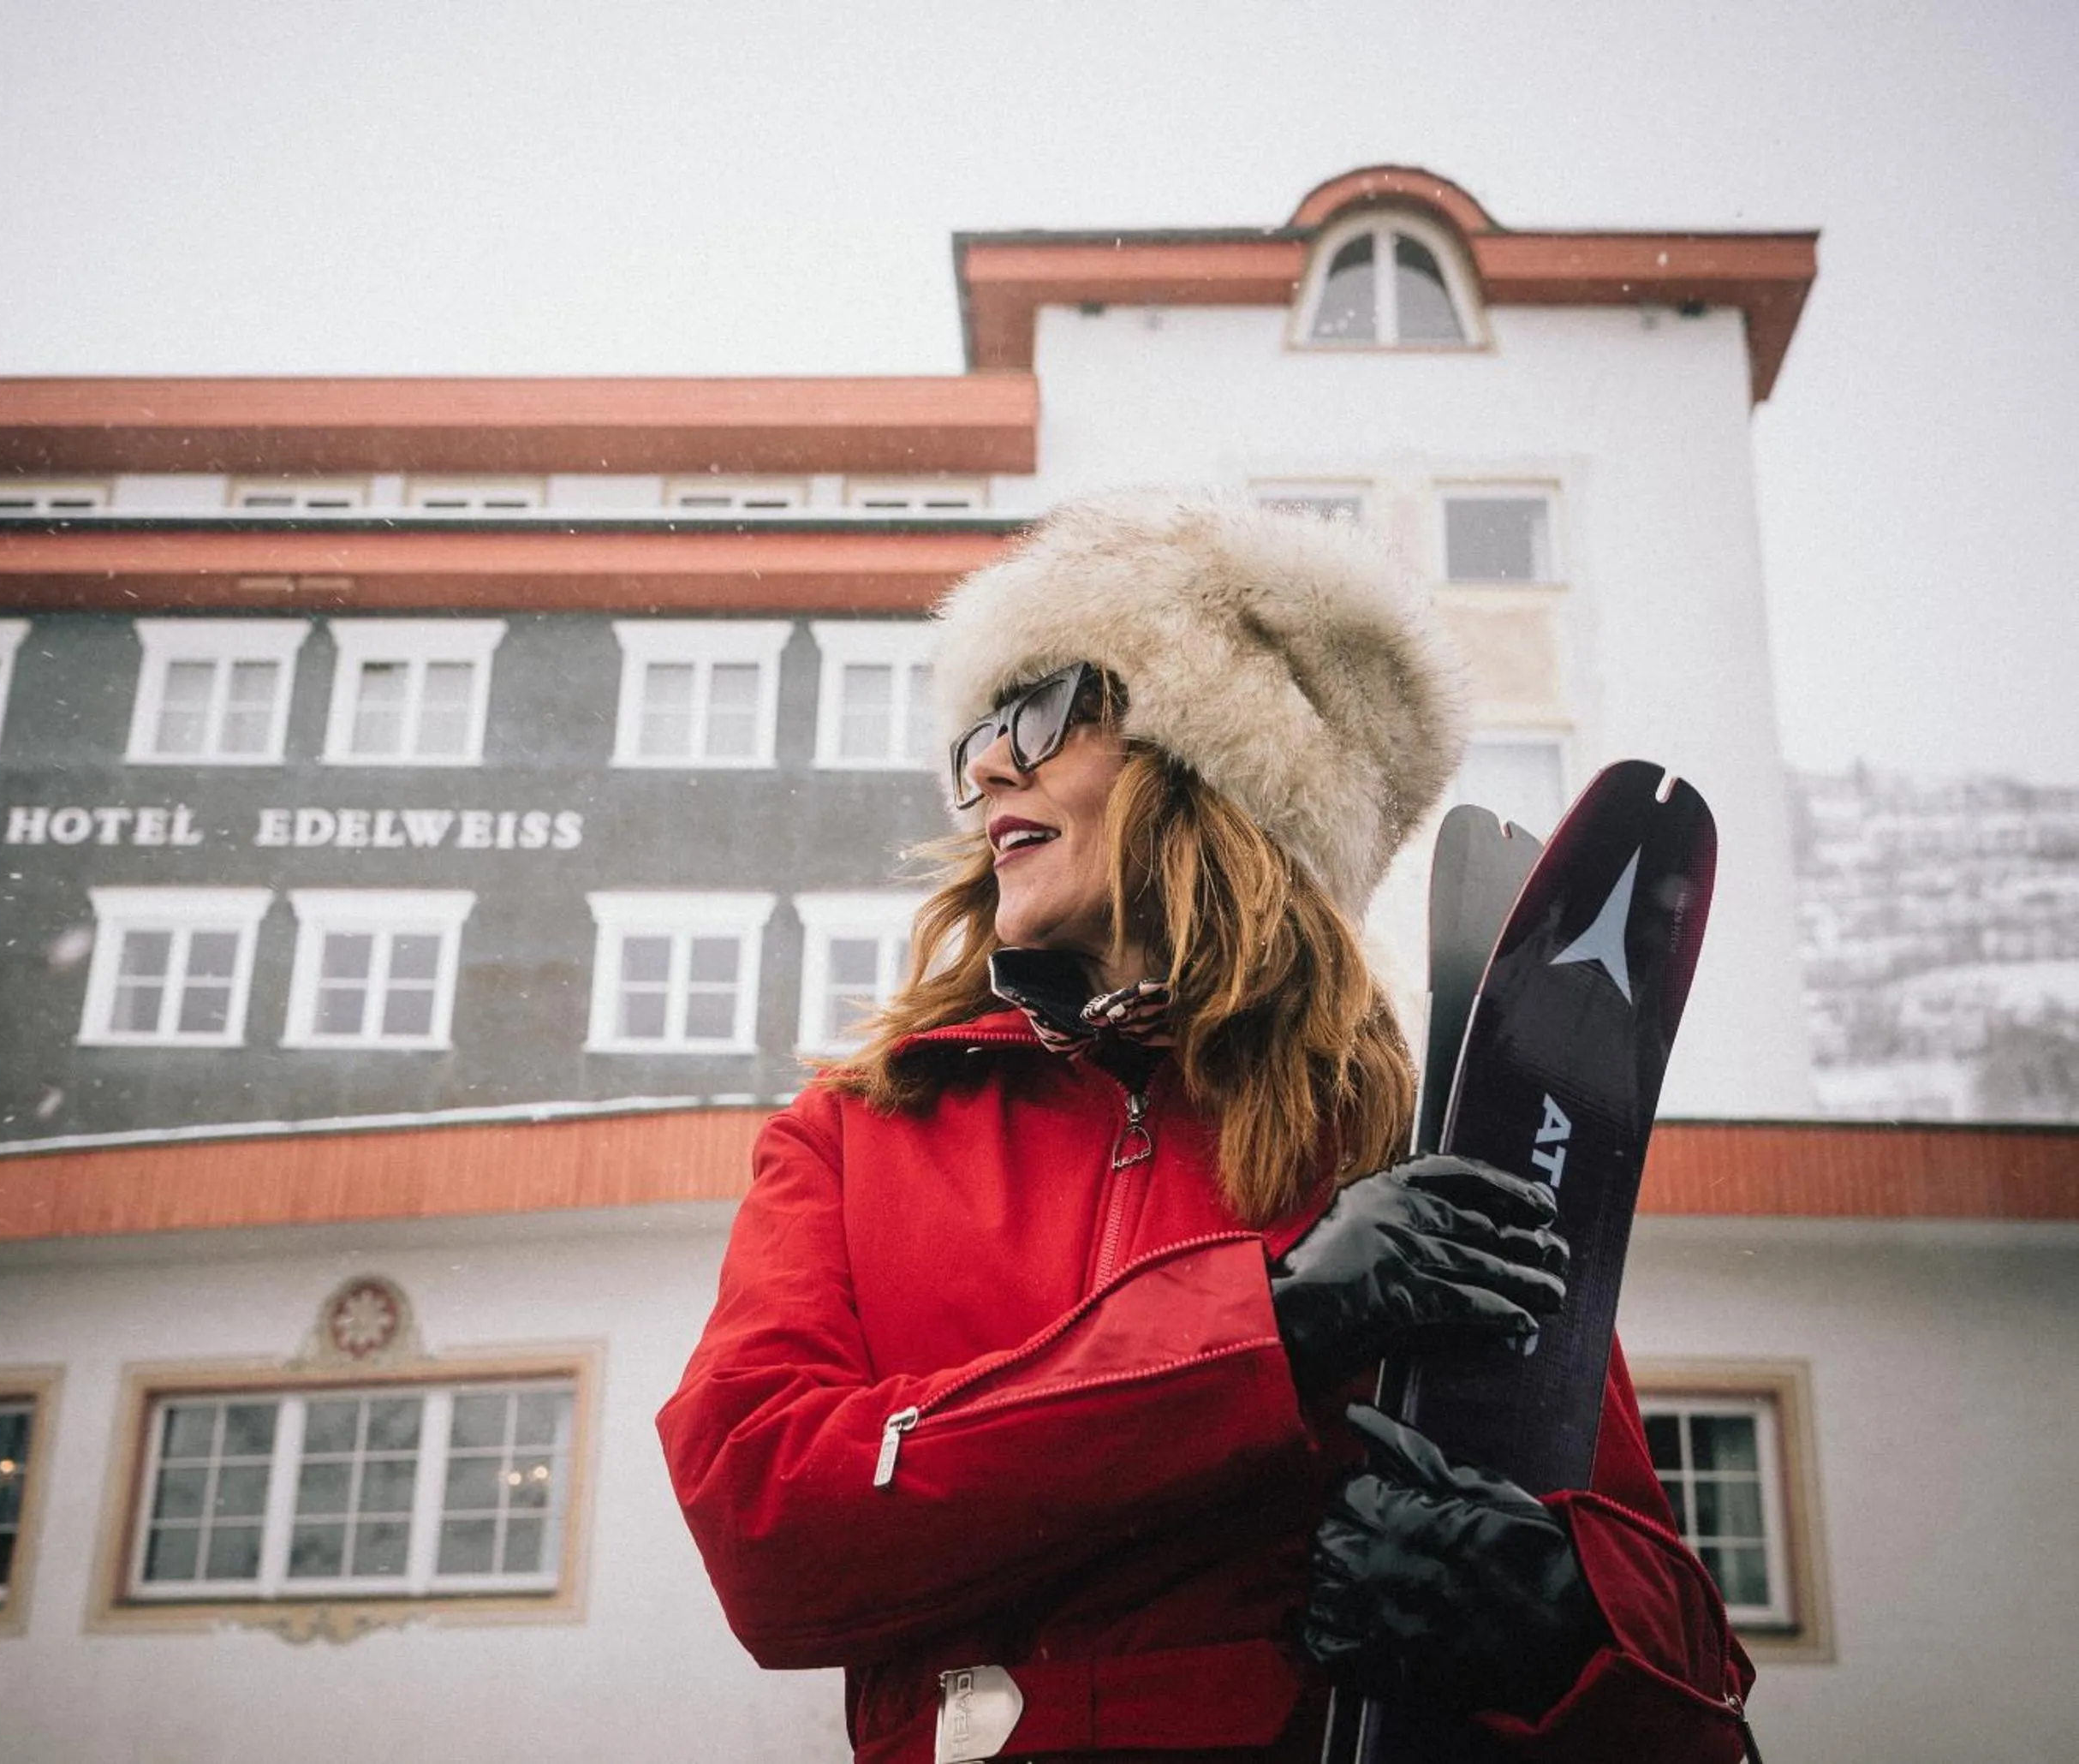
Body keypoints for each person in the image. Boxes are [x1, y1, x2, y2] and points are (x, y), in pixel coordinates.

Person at [658, 491, 1754, 1763]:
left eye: (1043, 711)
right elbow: (765, 1529)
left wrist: (1553, 1625)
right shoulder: (855, 1135)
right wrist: (1270, 1326)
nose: (986, 766)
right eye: (975, 733)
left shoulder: (1417, 1144)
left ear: (1217, 766)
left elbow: (1686, 1671)